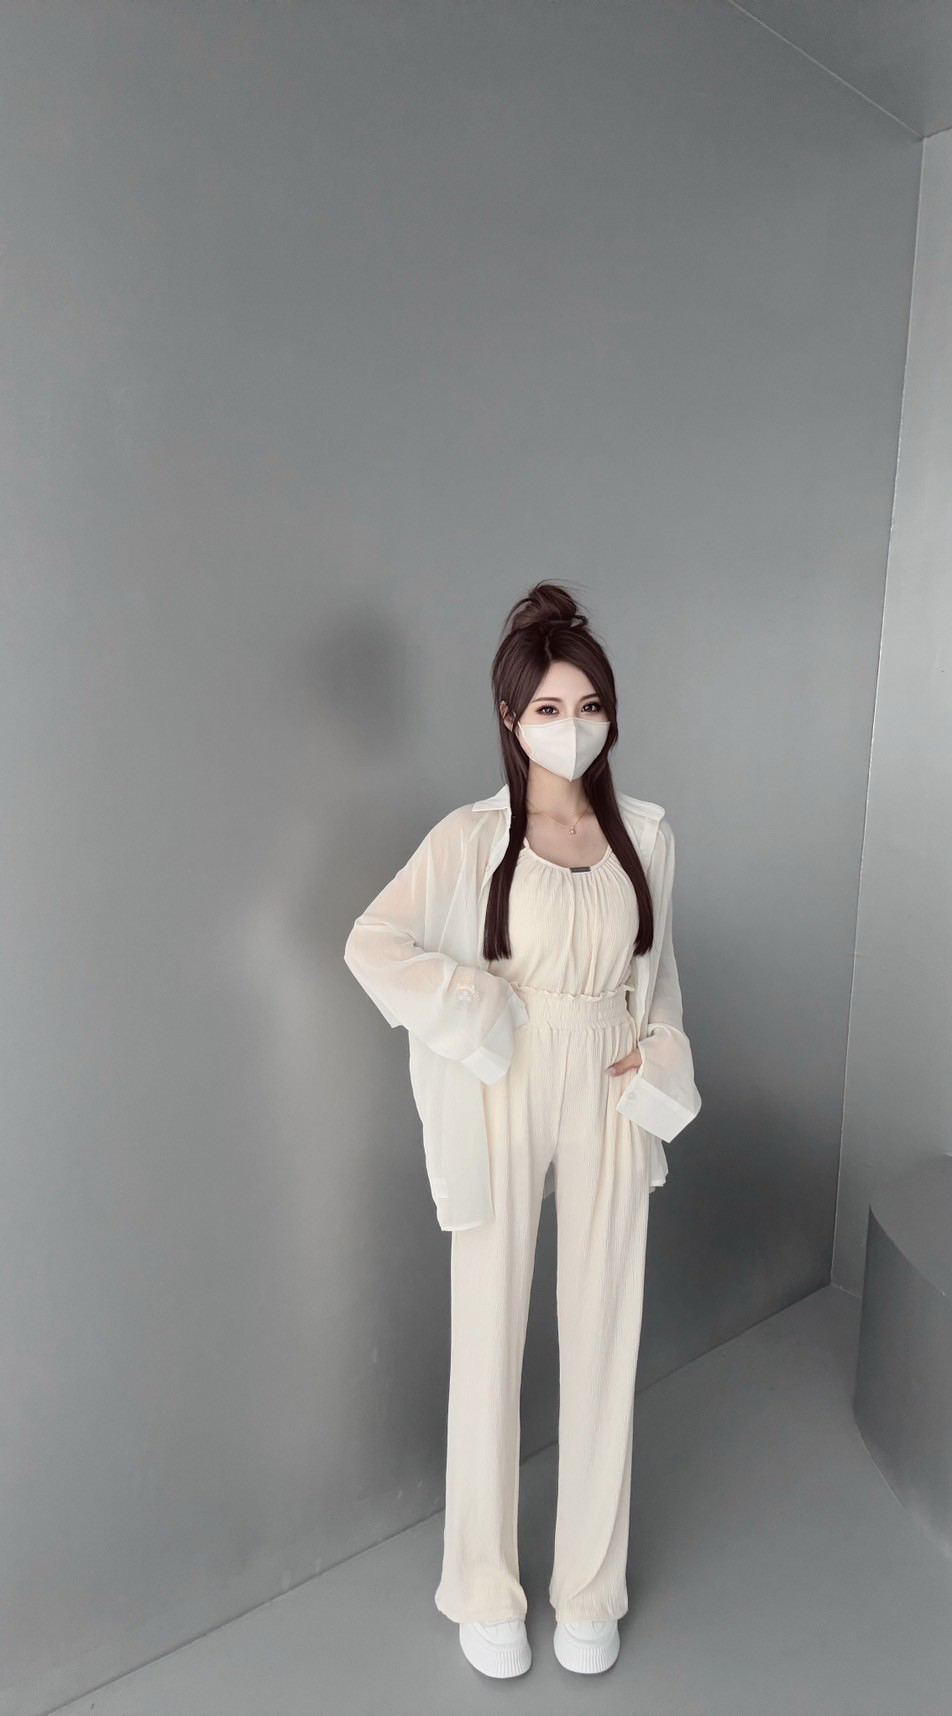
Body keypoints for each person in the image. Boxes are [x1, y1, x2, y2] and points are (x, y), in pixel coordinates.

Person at [344, 582, 701, 1679]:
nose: (571, 725)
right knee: (488, 1334)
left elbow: (659, 980)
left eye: (588, 705)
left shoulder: (645, 837)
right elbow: (373, 942)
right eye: (548, 707)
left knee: (605, 1330)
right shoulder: (471, 839)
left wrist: (659, 1055)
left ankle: (590, 1588)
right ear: (510, 717)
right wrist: (475, 1009)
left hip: (606, 1079)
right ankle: (484, 1587)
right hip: (506, 1078)